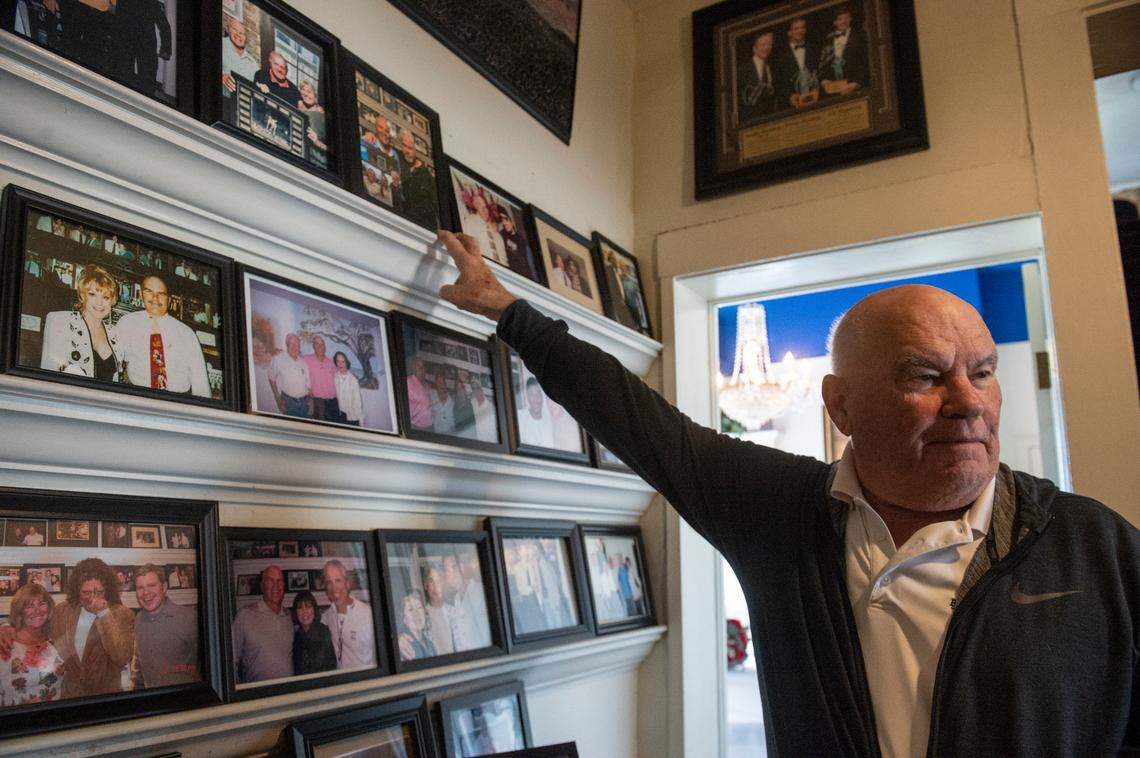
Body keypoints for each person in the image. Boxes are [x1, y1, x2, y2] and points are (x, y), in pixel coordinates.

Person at [434, 229, 1140, 756]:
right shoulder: (778, 513)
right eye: (925, 376)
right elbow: (638, 421)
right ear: (841, 406)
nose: (969, 402)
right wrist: (506, 309)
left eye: (982, 372)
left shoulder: (1095, 546)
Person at [46, 558, 135, 698]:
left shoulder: (122, 614)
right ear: (77, 590)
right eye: (86, 592)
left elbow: (122, 657)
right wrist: (10, 631)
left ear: (107, 590)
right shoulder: (62, 611)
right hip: (71, 696)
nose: (92, 598)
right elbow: (39, 632)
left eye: (99, 592)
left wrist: (103, 614)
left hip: (106, 697)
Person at [115, 275, 210, 396]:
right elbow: (114, 363)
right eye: (149, 291)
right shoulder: (127, 323)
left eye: (161, 293)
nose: (155, 298)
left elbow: (200, 380)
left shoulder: (187, 333)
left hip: (177, 400)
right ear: (141, 295)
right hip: (138, 397)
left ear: (169, 300)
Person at [40, 264, 121, 381]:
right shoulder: (60, 321)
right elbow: (49, 373)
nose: (99, 302)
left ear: (112, 301)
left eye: (105, 297)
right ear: (82, 296)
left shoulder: (116, 333)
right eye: (92, 294)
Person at [133, 564, 198, 688]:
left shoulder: (189, 618)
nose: (146, 592)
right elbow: (140, 667)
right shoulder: (138, 620)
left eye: (151, 585)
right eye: (140, 588)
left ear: (164, 587)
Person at [0, 582, 65, 705]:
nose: (37, 611)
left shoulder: (53, 638)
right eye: (29, 606)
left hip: (56, 712)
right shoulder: (6, 644)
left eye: (42, 604)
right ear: (19, 611)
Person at [232, 565, 293, 683]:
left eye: (279, 581)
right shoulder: (244, 616)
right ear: (262, 586)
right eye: (270, 581)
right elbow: (231, 660)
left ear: (284, 586)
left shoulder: (289, 616)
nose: (276, 586)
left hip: (289, 690)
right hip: (257, 692)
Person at [320, 560, 376, 669]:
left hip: (366, 677)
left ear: (347, 583)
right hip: (341, 678)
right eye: (329, 582)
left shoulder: (368, 614)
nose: (334, 587)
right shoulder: (328, 615)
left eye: (338, 580)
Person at [116, 0, 172, 96]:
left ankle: (145, 96)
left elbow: (163, 25)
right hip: (129, 40)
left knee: (147, 79)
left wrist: (166, 48)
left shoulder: (151, 2)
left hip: (144, 42)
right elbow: (117, 20)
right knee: (124, 75)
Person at [441, 553, 491, 652]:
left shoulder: (481, 591)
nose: (451, 575)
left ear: (462, 568)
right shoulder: (456, 599)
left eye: (454, 568)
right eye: (447, 571)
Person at [817, 4, 868, 97]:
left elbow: (866, 63)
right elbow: (822, 66)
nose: (844, 21)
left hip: (855, 90)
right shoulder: (827, 41)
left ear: (850, 19)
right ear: (835, 22)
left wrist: (856, 84)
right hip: (832, 93)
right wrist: (824, 82)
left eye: (846, 18)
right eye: (840, 19)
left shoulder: (860, 37)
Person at [393, 128, 437, 230]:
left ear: (415, 149)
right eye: (405, 146)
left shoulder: (423, 171)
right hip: (402, 215)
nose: (407, 151)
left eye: (410, 148)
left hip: (422, 220)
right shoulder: (397, 156)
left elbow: (433, 199)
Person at [773, 16, 819, 109]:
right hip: (791, 106)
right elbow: (778, 82)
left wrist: (817, 90)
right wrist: (790, 97)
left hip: (816, 102)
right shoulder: (779, 57)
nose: (800, 31)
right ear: (789, 32)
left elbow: (819, 72)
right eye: (796, 29)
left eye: (802, 27)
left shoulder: (814, 49)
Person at [291, 590, 337, 675]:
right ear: (296, 612)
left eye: (308, 606)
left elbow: (331, 666)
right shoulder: (296, 636)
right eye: (300, 607)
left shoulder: (323, 632)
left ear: (314, 609)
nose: (304, 611)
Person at [738, 31, 780, 124]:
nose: (766, 48)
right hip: (749, 121)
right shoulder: (743, 70)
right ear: (754, 48)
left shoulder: (773, 67)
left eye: (769, 45)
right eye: (762, 45)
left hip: (770, 120)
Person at [268, 333, 311, 418]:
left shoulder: (303, 363)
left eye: (297, 345)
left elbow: (308, 384)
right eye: (292, 344)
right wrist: (277, 399)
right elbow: (271, 378)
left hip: (305, 402)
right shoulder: (278, 359)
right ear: (287, 345)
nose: (295, 347)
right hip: (289, 403)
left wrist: (311, 401)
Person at [220, 15, 258, 112]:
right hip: (220, 102)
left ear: (245, 38)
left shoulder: (253, 63)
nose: (238, 34)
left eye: (242, 33)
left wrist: (261, 87)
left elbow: (256, 88)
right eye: (234, 29)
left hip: (242, 109)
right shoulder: (219, 45)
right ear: (228, 30)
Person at [304, 335, 339, 422]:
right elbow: (294, 358)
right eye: (317, 344)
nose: (320, 347)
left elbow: (339, 376)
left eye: (322, 344)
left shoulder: (330, 362)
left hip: (333, 401)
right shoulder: (306, 359)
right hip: (319, 402)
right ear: (313, 346)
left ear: (325, 347)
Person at [421, 565, 454, 655]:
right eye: (431, 581)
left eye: (439, 581)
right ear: (425, 585)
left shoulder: (453, 611)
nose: (435, 586)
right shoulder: (422, 615)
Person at [396, 593, 437, 661]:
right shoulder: (404, 644)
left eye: (419, 607)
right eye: (411, 609)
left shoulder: (430, 644)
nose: (416, 613)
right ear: (404, 619)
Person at [517, 377, 554, 448]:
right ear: (527, 397)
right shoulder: (519, 417)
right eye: (531, 394)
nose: (536, 398)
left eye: (538, 393)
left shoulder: (549, 422)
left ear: (542, 396)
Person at [297, 80, 327, 163]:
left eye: (309, 92)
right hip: (300, 158)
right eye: (303, 92)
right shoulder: (301, 111)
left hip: (317, 162)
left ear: (315, 96)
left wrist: (317, 142)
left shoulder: (321, 116)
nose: (306, 94)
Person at [333, 351, 364, 426]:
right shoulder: (336, 376)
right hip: (340, 414)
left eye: (343, 361)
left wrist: (361, 421)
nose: (340, 364)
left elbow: (358, 402)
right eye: (338, 361)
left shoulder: (353, 380)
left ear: (346, 363)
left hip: (352, 416)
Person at [405, 356, 434, 430]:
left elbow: (427, 404)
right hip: (416, 426)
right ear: (413, 367)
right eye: (418, 365)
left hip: (429, 425)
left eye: (423, 366)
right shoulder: (408, 382)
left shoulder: (426, 385)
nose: (421, 368)